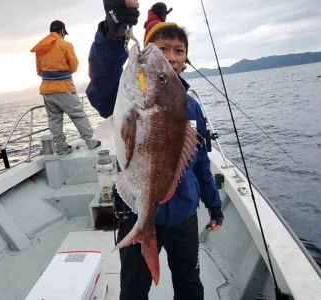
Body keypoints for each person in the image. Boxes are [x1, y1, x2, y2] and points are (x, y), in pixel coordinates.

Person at [86, 1, 224, 299]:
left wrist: (213, 204)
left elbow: (200, 162)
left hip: (184, 213)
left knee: (189, 282)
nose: (170, 57)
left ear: (185, 61)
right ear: (145, 54)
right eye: (161, 49)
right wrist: (112, 34)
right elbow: (99, 85)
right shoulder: (125, 97)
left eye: (178, 50)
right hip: (135, 208)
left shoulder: (193, 108)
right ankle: (142, 231)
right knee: (134, 288)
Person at [30, 20, 101, 154]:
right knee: (78, 114)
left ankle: (61, 146)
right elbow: (74, 66)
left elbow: (39, 71)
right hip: (63, 88)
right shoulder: (65, 45)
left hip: (47, 90)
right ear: (62, 31)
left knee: (54, 119)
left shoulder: (40, 48)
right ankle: (90, 141)